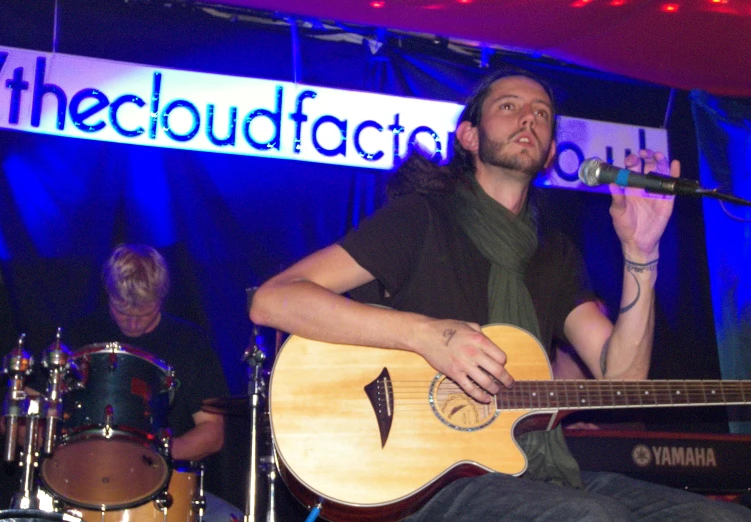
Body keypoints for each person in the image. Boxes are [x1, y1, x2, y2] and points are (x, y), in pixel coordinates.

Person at [249, 69, 751, 520]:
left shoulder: (555, 254)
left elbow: (622, 375)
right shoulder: (421, 219)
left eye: (542, 114)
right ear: (469, 135)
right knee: (588, 518)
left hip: (532, 470)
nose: (528, 118)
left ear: (553, 152)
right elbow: (273, 300)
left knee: (720, 518)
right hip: (422, 479)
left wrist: (641, 253)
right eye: (508, 106)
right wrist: (427, 335)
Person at [62, 244, 239, 520]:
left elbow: (213, 433)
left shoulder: (190, 343)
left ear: (162, 297)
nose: (132, 324)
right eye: (121, 311)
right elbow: (36, 410)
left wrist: (153, 455)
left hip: (165, 488)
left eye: (144, 313)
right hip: (84, 478)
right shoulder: (79, 334)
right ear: (108, 293)